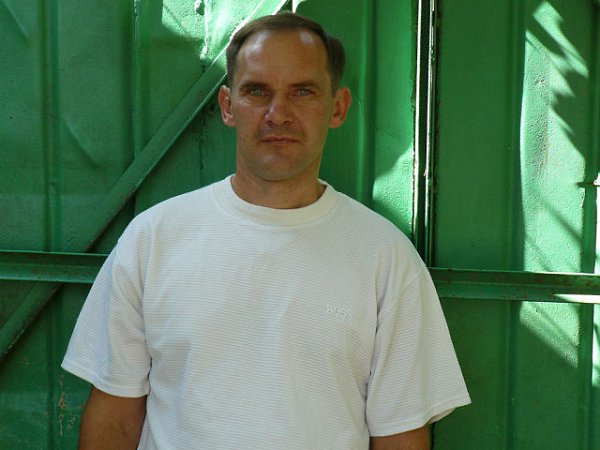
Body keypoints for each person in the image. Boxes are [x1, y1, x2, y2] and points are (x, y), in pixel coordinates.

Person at [62, 11, 470, 450]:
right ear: (227, 105)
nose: (279, 114)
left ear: (337, 107)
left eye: (302, 92)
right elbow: (115, 417)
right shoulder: (153, 239)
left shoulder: (384, 256)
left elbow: (401, 435)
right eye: (257, 91)